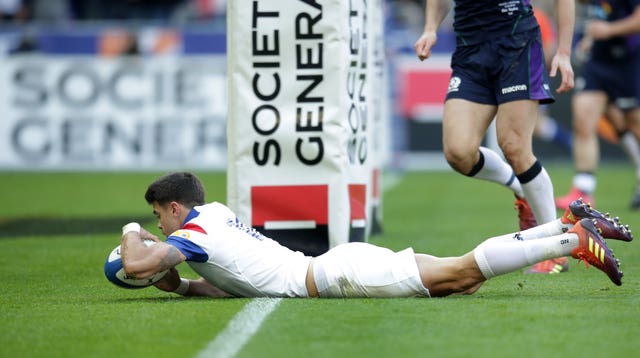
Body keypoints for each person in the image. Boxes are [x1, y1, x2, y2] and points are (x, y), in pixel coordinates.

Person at [118, 172, 632, 298]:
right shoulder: (213, 216)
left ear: (174, 207)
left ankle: (572, 240)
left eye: (158, 216)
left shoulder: (191, 231)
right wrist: (182, 286)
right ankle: (563, 223)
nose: (158, 226)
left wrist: (129, 232)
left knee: (461, 274)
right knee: (463, 279)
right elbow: (230, 279)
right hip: (336, 266)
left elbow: (138, 265)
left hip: (338, 274)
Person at [413, 1, 575, 239]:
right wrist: (430, 28)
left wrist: (564, 52)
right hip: (471, 52)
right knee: (458, 152)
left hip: (516, 44)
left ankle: (556, 246)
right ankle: (521, 188)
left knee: (515, 147)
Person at [555, 0, 640, 211]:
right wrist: (590, 38)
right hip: (599, 61)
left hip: (629, 61)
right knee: (583, 116)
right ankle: (583, 190)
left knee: (632, 123)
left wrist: (609, 30)